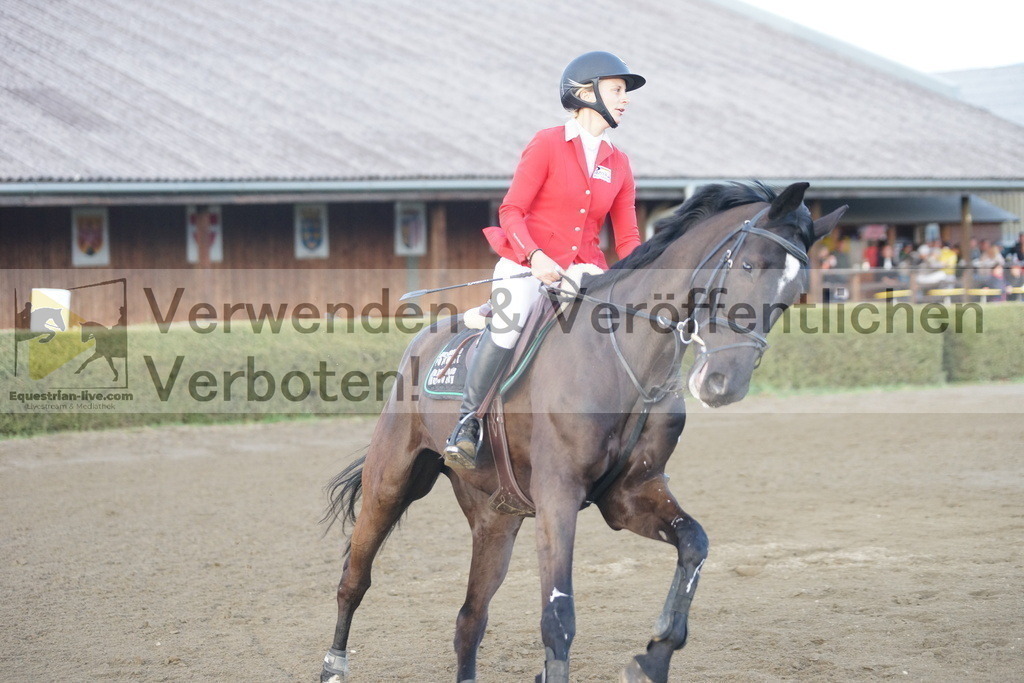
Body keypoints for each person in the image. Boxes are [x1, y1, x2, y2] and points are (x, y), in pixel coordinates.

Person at [443, 50, 645, 469]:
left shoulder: (620, 164)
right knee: (510, 321)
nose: (625, 99)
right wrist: (534, 256)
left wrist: (647, 281)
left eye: (625, 92)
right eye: (617, 90)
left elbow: (627, 237)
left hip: (585, 270)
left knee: (616, 332)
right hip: (525, 262)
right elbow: (511, 210)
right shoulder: (548, 143)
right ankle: (468, 422)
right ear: (585, 92)